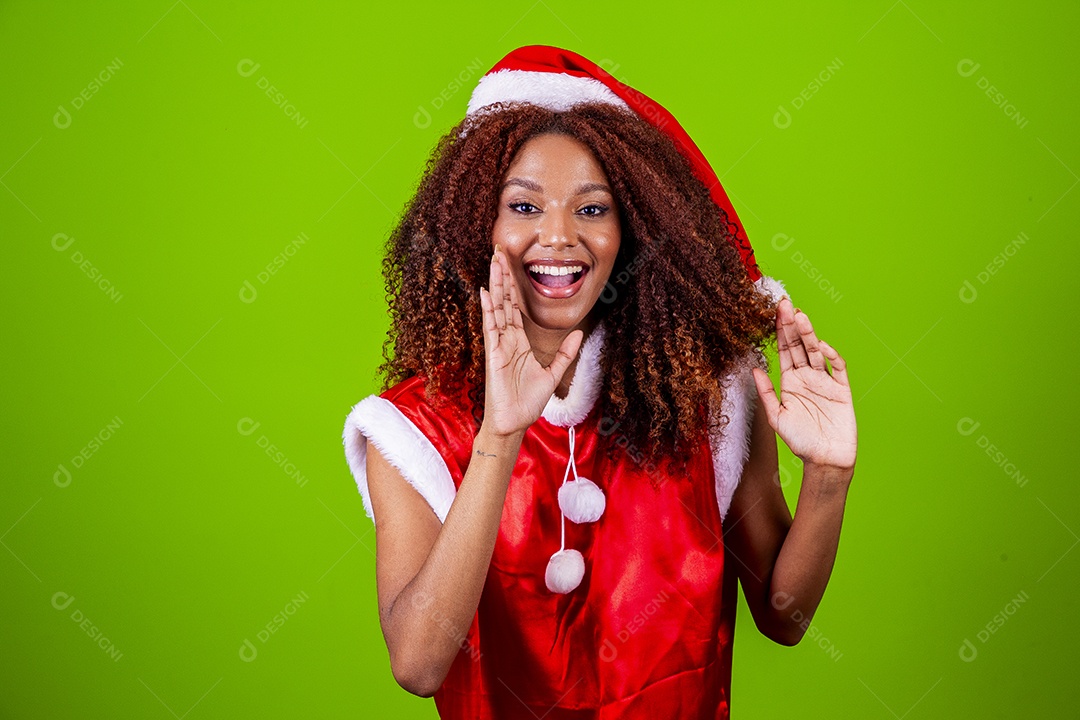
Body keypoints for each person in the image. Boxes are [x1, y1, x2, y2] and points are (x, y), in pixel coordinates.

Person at [342, 45, 858, 719]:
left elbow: (782, 617)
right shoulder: (411, 428)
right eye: (523, 207)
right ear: (479, 224)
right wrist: (500, 437)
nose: (557, 236)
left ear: (633, 228)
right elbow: (417, 663)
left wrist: (827, 476)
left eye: (592, 209)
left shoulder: (710, 395)